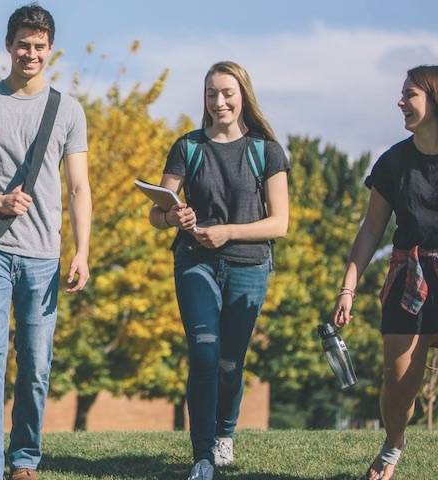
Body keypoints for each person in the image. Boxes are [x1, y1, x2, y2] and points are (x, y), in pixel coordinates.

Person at [0, 4, 91, 480]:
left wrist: (82, 251)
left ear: (50, 50)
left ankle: (24, 459)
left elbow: (79, 187)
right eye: (23, 44)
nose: (31, 53)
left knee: (36, 365)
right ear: (8, 46)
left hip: (44, 256)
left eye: (39, 46)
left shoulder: (67, 110)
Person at [332, 65, 438, 480]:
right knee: (399, 384)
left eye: (409, 95)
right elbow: (371, 231)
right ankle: (393, 444)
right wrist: (347, 288)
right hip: (409, 274)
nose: (400, 102)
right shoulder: (394, 162)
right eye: (402, 95)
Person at [148, 61, 289, 480]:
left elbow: (279, 223)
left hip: (248, 265)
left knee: (230, 361)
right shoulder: (188, 147)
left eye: (227, 92)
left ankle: (225, 432)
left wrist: (228, 232)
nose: (219, 101)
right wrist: (174, 217)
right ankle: (203, 456)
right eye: (212, 93)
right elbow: (158, 211)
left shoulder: (266, 150)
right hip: (195, 262)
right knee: (204, 352)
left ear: (243, 95)